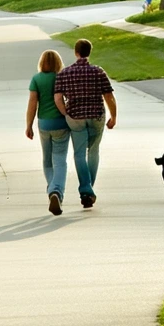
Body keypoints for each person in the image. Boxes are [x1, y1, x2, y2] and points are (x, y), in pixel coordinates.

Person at [53, 38, 117, 209]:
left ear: (76, 52)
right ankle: (88, 190)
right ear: (89, 52)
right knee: (94, 151)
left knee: (79, 154)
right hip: (96, 115)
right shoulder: (98, 72)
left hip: (75, 117)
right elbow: (109, 96)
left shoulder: (64, 73)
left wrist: (65, 113)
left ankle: (86, 189)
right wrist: (114, 116)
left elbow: (57, 98)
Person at [26, 49, 70, 216]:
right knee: (60, 160)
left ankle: (52, 190)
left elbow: (32, 104)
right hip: (60, 123)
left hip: (44, 124)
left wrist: (28, 125)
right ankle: (56, 191)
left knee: (47, 160)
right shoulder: (61, 77)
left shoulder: (36, 79)